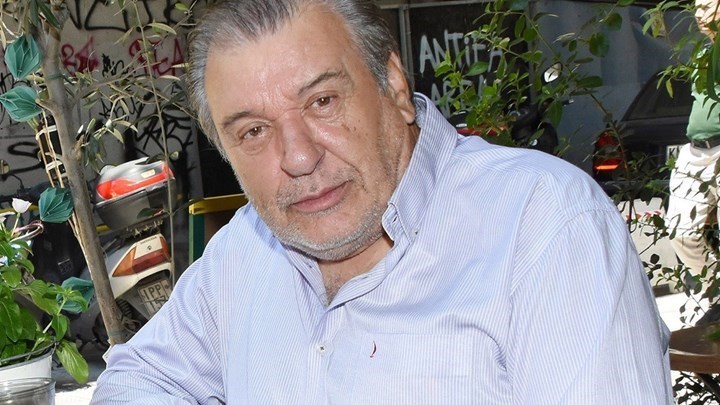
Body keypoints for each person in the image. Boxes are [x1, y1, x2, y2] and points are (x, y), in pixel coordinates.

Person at [92, 0, 672, 403]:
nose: (298, 157)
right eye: (254, 131)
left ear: (393, 85)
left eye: (322, 102)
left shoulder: (542, 223)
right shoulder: (244, 252)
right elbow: (140, 378)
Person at [667, 0, 720, 321]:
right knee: (680, 229)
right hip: (695, 151)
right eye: (696, 8)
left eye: (707, 7)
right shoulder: (703, 52)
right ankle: (715, 289)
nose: (699, 14)